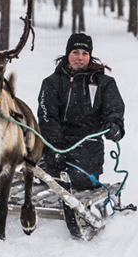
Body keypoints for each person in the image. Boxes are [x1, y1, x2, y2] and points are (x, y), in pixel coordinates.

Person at [37, 32, 125, 191]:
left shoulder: (104, 83)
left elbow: (114, 108)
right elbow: (47, 116)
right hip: (56, 143)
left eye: (85, 53)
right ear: (67, 54)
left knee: (79, 182)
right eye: (75, 52)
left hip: (88, 146)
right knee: (43, 178)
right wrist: (54, 145)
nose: (80, 57)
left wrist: (115, 124)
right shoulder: (52, 83)